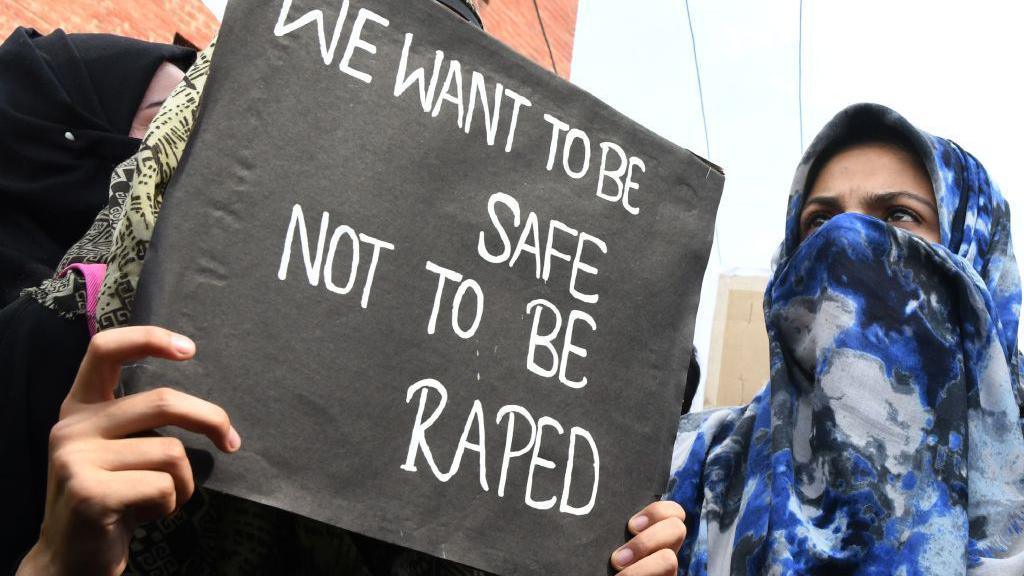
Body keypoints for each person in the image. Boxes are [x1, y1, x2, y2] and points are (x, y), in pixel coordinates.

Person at [616, 103, 1024, 574]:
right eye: (819, 221)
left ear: (972, 246)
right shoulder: (687, 470)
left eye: (898, 214)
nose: (845, 238)